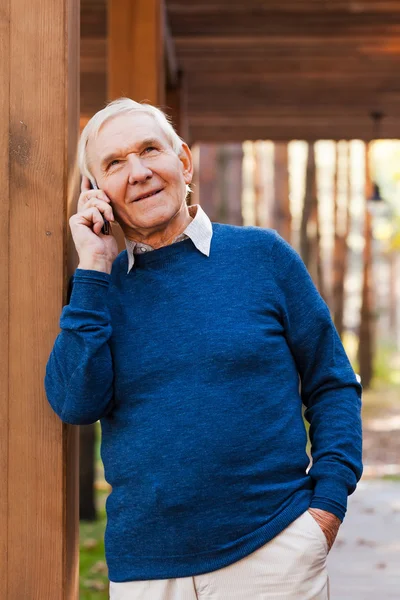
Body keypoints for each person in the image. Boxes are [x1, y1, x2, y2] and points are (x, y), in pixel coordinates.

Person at [45, 98, 363, 600]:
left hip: (273, 552)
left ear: (184, 162)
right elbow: (75, 404)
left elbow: (333, 383)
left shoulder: (263, 257)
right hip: (146, 569)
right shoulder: (98, 289)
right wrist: (93, 268)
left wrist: (326, 505)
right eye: (114, 164)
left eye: (150, 150)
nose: (139, 172)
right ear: (96, 193)